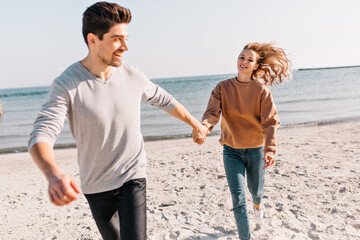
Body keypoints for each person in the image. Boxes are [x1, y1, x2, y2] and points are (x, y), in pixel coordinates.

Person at [28, 2, 208, 240]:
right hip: (95, 184)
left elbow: (164, 99)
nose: (125, 46)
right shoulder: (67, 84)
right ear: (93, 40)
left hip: (132, 175)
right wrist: (53, 175)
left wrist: (195, 124)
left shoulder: (133, 75)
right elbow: (42, 132)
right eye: (117, 39)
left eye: (126, 38)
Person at [195, 42, 291, 240]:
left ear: (256, 66)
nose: (244, 62)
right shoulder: (222, 87)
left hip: (256, 150)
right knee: (238, 198)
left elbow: (270, 122)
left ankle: (258, 206)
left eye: (249, 60)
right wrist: (204, 128)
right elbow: (212, 114)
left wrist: (270, 149)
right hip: (231, 151)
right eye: (241, 57)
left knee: (256, 191)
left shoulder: (261, 90)